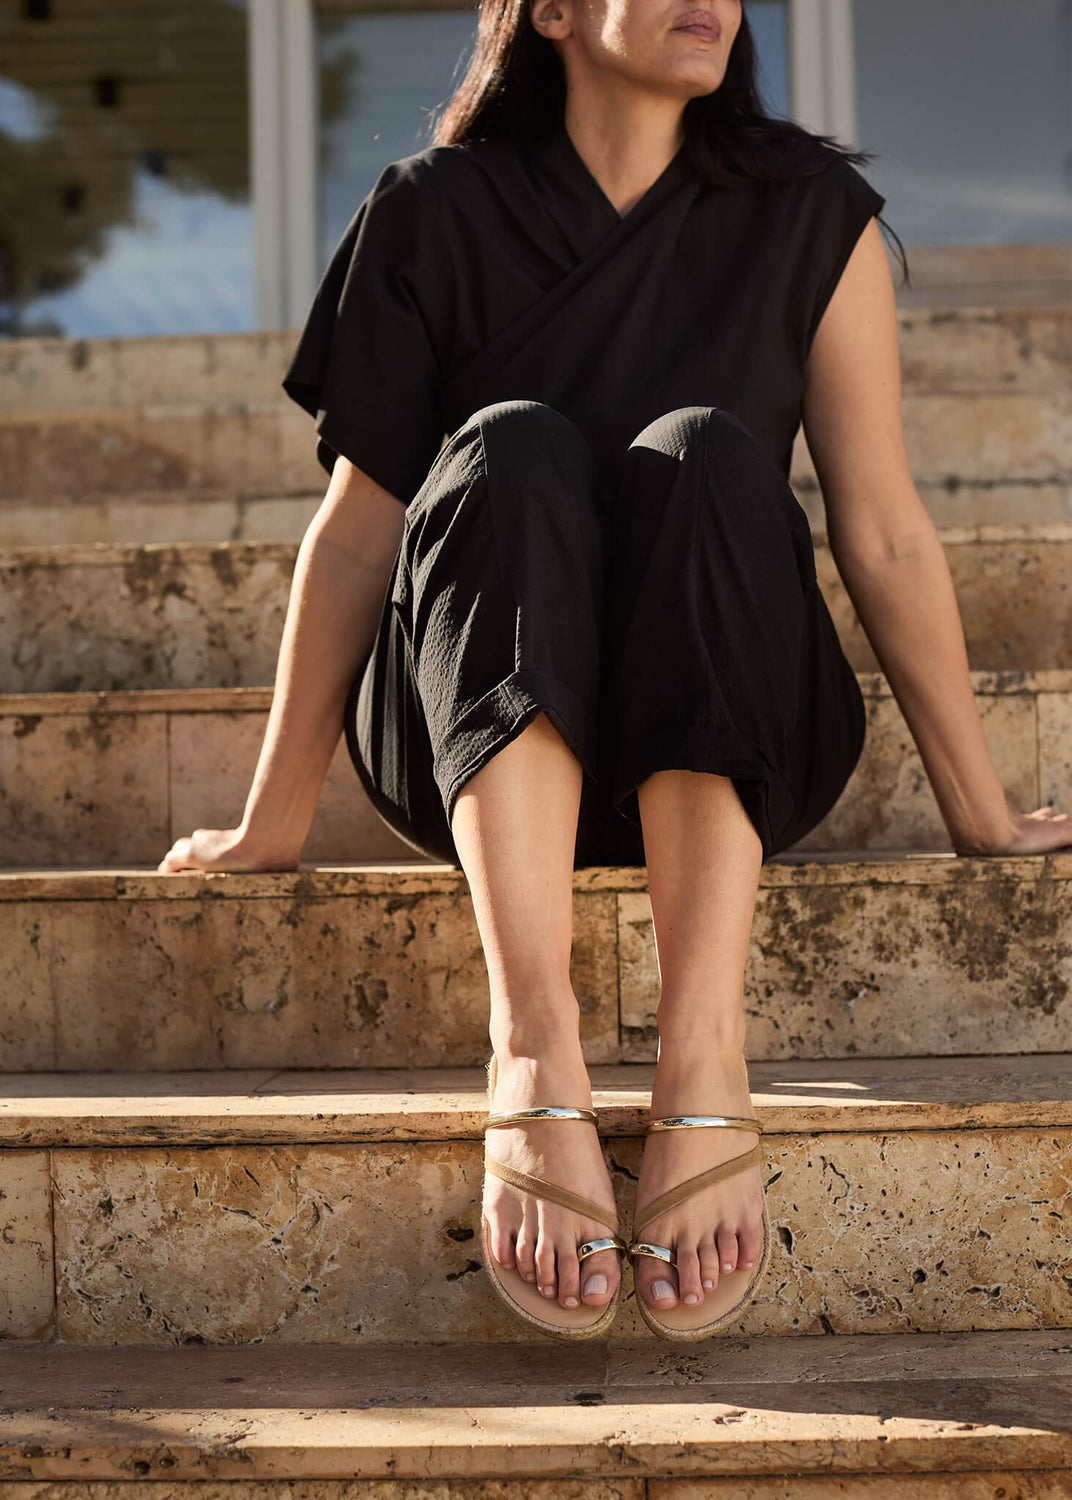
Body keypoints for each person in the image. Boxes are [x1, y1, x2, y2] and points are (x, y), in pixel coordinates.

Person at [159, 0, 1072, 1340]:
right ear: (547, 8)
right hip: (483, 748)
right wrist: (270, 824)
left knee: (707, 453)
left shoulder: (809, 212)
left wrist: (982, 811)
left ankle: (706, 1054)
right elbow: (360, 535)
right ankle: (533, 1054)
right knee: (509, 448)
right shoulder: (430, 210)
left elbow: (879, 525)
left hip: (726, 718)